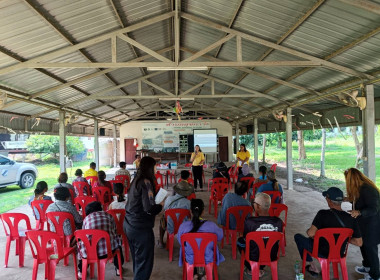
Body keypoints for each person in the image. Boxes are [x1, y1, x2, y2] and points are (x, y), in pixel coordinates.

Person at [294, 187, 363, 277]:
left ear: (329, 201)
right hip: (339, 252)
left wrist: (313, 234)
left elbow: (311, 233)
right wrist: (342, 238)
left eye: (326, 198)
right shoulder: (351, 218)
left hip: (321, 251)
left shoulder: (322, 214)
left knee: (298, 237)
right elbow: (359, 242)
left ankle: (312, 266)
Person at [124, 156, 165, 280]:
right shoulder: (146, 182)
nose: (156, 168)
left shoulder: (136, 179)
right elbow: (149, 209)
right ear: (150, 167)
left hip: (129, 224)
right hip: (140, 228)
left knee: (139, 260)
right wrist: (160, 205)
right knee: (145, 264)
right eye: (155, 165)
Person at [344, 168, 380, 280]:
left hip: (372, 225)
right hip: (363, 223)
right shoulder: (359, 188)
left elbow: (374, 208)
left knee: (371, 249)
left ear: (352, 179)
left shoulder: (368, 189)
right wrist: (348, 199)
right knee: (363, 245)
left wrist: (359, 212)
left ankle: (375, 275)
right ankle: (367, 267)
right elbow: (360, 201)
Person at [237, 193, 282, 278]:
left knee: (240, 241)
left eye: (254, 203)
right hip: (272, 256)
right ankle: (260, 268)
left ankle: (251, 268)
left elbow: (246, 240)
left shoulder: (250, 222)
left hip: (253, 257)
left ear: (257, 206)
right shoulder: (278, 222)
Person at [177, 199, 224, 279]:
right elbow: (220, 237)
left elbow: (180, 241)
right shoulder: (211, 225)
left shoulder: (183, 226)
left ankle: (193, 275)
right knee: (212, 248)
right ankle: (206, 275)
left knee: (188, 248)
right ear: (203, 212)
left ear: (190, 211)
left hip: (190, 258)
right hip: (208, 257)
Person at [77, 201, 124, 278]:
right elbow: (115, 230)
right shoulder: (109, 216)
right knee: (117, 243)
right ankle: (118, 268)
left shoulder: (86, 219)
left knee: (84, 246)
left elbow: (84, 235)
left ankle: (81, 271)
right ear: (100, 208)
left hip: (91, 253)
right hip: (109, 251)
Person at [157, 180, 193, 248]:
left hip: (169, 226)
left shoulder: (169, 199)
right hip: (184, 228)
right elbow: (190, 215)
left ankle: (161, 242)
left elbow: (165, 209)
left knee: (162, 220)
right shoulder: (188, 202)